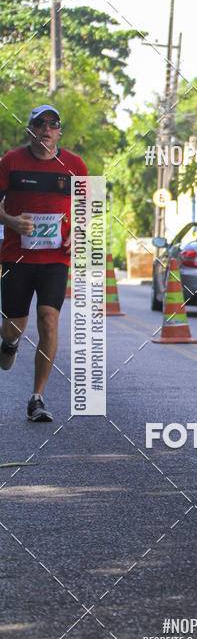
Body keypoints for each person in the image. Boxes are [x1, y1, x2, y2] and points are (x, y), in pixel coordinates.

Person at [0, 104, 87, 421]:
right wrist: (11, 221)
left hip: (55, 258)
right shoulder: (11, 161)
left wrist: (77, 234)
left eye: (53, 124)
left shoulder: (75, 165)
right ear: (31, 130)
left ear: (59, 132)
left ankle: (37, 398)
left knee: (49, 319)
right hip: (17, 256)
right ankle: (9, 343)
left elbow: (86, 211)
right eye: (40, 124)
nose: (46, 129)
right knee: (13, 327)